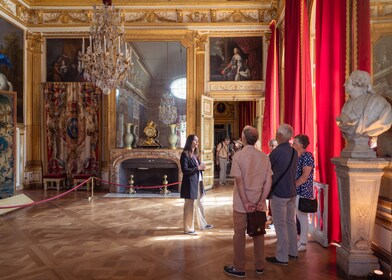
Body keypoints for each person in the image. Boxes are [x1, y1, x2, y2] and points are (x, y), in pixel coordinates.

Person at [223, 126, 272, 277]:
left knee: (239, 234)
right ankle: (259, 266)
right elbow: (268, 181)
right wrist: (262, 200)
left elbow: (239, 181)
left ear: (243, 139)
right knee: (259, 234)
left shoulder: (238, 156)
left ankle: (239, 268)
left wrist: (245, 202)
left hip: (241, 203)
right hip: (258, 202)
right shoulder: (264, 157)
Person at [265, 123, 299, 265]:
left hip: (280, 192)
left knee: (280, 225)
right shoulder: (294, 152)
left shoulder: (276, 152)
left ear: (279, 136)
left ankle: (282, 257)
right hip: (291, 191)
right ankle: (293, 252)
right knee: (291, 223)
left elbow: (267, 169)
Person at [336, 70, 392, 142]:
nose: (344, 84)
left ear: (357, 83)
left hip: (365, 148)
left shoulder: (377, 102)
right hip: (352, 148)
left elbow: (384, 122)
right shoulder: (346, 106)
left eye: (347, 82)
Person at [180, 134, 213, 234]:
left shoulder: (195, 154)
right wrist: (198, 168)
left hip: (198, 182)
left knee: (200, 203)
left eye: (197, 141)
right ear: (190, 141)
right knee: (189, 206)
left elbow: (197, 167)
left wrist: (201, 166)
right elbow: (185, 170)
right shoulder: (185, 154)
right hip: (190, 183)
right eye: (195, 140)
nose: (197, 142)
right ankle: (188, 228)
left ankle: (203, 224)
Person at [292, 134, 315, 252]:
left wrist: (292, 186)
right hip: (296, 190)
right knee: (298, 216)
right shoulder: (297, 155)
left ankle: (303, 242)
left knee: (302, 216)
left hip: (302, 190)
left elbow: (305, 176)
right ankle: (300, 240)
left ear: (301, 144)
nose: (292, 144)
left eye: (295, 142)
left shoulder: (307, 156)